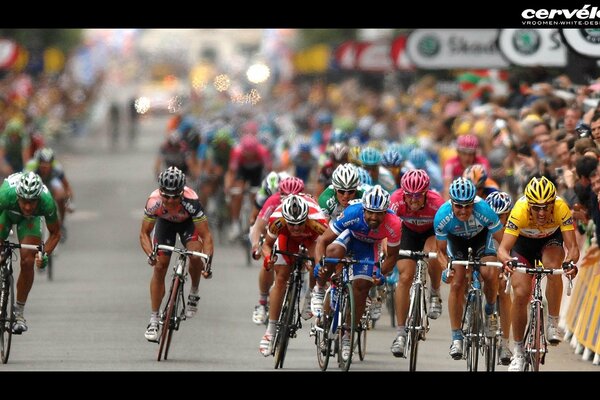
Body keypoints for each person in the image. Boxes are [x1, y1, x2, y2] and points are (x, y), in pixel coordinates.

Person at [497, 176, 579, 371]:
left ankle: (552, 322)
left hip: (550, 241)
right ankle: (518, 351)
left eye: (546, 206)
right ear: (529, 205)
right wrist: (507, 261)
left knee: (553, 267)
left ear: (553, 203)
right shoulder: (519, 210)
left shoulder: (561, 207)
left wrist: (569, 263)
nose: (542, 212)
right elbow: (503, 249)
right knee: (521, 293)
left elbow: (573, 247)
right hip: (523, 246)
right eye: (536, 207)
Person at [312, 185, 402, 361]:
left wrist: (381, 273)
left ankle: (347, 334)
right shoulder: (353, 212)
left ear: (386, 212)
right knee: (332, 253)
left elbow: (392, 257)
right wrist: (319, 264)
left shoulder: (394, 224)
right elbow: (323, 241)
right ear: (364, 209)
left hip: (369, 248)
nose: (374, 217)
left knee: (362, 286)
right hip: (349, 237)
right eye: (370, 212)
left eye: (379, 213)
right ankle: (320, 288)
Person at [140, 166, 214, 342]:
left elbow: (206, 235)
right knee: (160, 266)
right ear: (160, 191)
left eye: (175, 197)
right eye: (166, 196)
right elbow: (144, 233)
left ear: (182, 193)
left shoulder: (192, 201)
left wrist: (208, 263)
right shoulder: (154, 202)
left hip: (188, 223)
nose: (170, 201)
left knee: (195, 255)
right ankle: (154, 319)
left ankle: (194, 291)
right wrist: (150, 253)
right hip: (165, 224)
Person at [434, 177, 503, 360]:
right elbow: (440, 252)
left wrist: (505, 263)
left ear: (474, 202)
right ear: (451, 203)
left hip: (481, 240)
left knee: (489, 272)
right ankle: (456, 337)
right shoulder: (442, 215)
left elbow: (503, 243)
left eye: (468, 206)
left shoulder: (485, 211)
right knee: (456, 283)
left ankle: (490, 310)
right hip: (456, 243)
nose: (463, 211)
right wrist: (445, 268)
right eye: (459, 206)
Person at [258, 194, 328, 356]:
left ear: (306, 218)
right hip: (286, 239)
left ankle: (312, 294)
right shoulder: (277, 220)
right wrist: (269, 258)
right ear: (285, 220)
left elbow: (327, 244)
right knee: (281, 279)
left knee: (317, 265)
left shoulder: (317, 220)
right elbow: (267, 245)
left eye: (300, 224)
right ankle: (270, 330)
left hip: (312, 238)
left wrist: (321, 267)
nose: (296, 228)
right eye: (292, 224)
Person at [388, 169, 444, 357]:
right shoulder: (395, 201)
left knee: (433, 254)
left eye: (418, 196)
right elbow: (386, 228)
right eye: (409, 196)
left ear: (426, 193)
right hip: (407, 233)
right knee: (405, 277)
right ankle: (401, 333)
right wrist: (385, 253)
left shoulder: (437, 204)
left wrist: (440, 250)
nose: (413, 200)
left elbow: (443, 235)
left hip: (431, 233)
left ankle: (435, 292)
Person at [0, 171, 61, 333]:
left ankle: (19, 314)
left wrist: (44, 254)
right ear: (17, 196)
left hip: (29, 222)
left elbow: (55, 234)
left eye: (32, 202)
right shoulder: (5, 195)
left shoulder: (46, 202)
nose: (27, 206)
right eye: (24, 201)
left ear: (38, 199)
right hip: (6, 213)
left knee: (28, 261)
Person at [249, 176, 305, 325]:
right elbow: (258, 227)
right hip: (272, 231)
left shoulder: (307, 204)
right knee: (268, 263)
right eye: (285, 197)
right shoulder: (273, 201)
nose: (289, 200)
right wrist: (256, 246)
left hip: (294, 233)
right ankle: (262, 303)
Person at [484, 191, 514, 365]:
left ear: (508, 215)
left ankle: (504, 342)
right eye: (493, 216)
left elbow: (514, 252)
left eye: (501, 216)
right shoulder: (483, 222)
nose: (497, 220)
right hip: (488, 257)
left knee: (504, 288)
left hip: (505, 259)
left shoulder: (512, 225)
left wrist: (508, 270)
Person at [24, 148, 74, 241]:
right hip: (35, 184)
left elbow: (66, 186)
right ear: (38, 163)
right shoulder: (30, 169)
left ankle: (61, 224)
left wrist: (69, 202)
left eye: (48, 165)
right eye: (42, 164)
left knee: (60, 195)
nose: (45, 167)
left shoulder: (57, 169)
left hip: (51, 183)